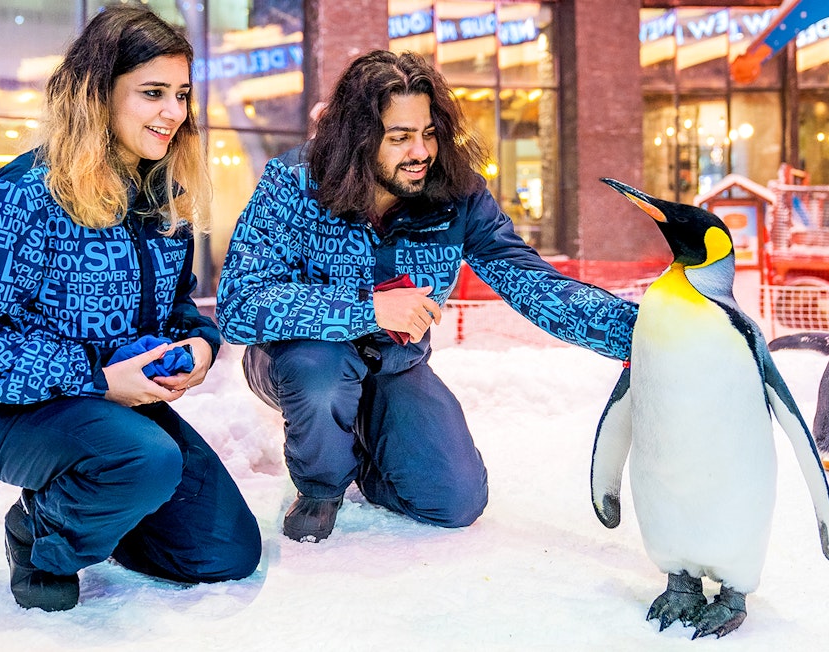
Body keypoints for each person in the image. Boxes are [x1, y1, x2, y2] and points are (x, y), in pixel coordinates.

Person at [216, 50, 638, 544]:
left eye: (429, 133)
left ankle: (361, 455)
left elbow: (530, 281)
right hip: (301, 360)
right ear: (358, 137)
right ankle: (320, 487)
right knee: (322, 373)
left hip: (394, 365)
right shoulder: (293, 183)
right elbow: (238, 304)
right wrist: (368, 310)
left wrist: (639, 330)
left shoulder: (457, 196)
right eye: (399, 137)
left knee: (456, 500)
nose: (420, 152)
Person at [0, 5, 260, 611]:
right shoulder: (22, 195)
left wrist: (199, 344)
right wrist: (97, 378)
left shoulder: (161, 199)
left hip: (118, 405)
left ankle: (106, 502)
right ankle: (40, 536)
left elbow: (178, 305)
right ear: (97, 94)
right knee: (146, 458)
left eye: (182, 94)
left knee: (225, 554)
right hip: (14, 408)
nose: (174, 112)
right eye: (153, 93)